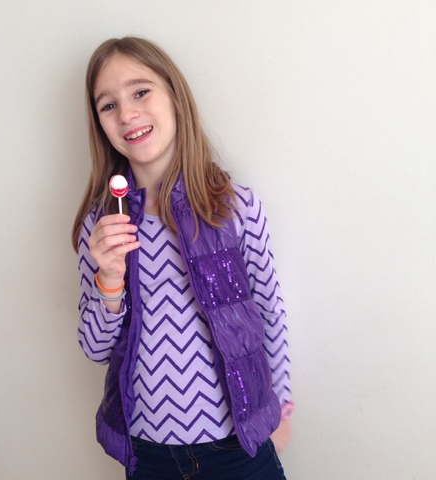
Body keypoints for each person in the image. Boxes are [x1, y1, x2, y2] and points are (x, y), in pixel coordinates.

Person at [72, 36, 294, 479]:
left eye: (140, 92)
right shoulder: (101, 227)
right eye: (108, 105)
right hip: (149, 453)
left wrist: (282, 408)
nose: (127, 113)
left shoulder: (235, 207)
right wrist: (109, 279)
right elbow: (94, 348)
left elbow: (269, 309)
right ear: (99, 124)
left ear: (174, 96)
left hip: (239, 446)